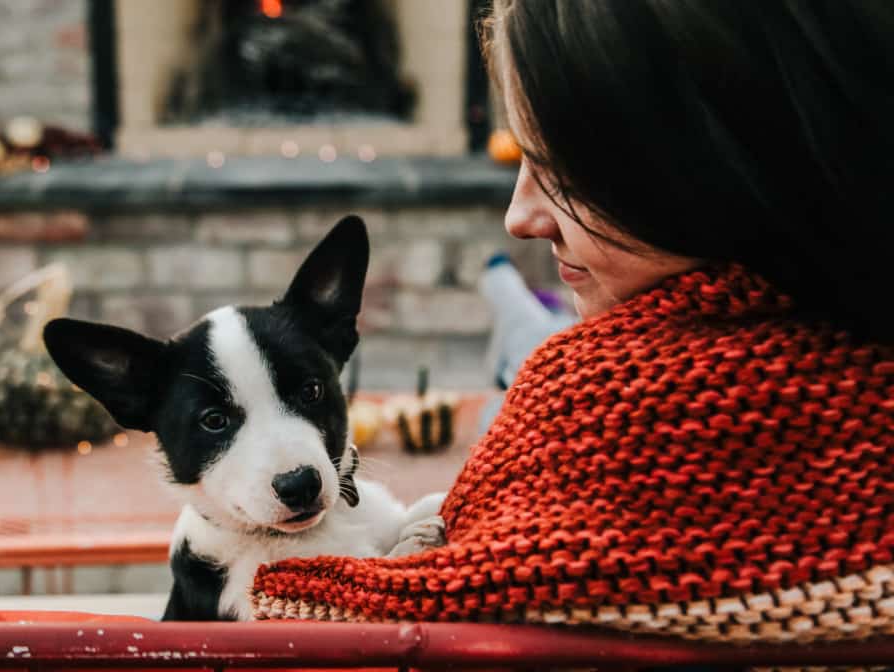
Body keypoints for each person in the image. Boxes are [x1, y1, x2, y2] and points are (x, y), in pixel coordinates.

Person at [249, 0, 894, 647]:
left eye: (560, 173)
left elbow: (360, 623)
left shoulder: (605, 408)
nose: (520, 216)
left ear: (710, 164)